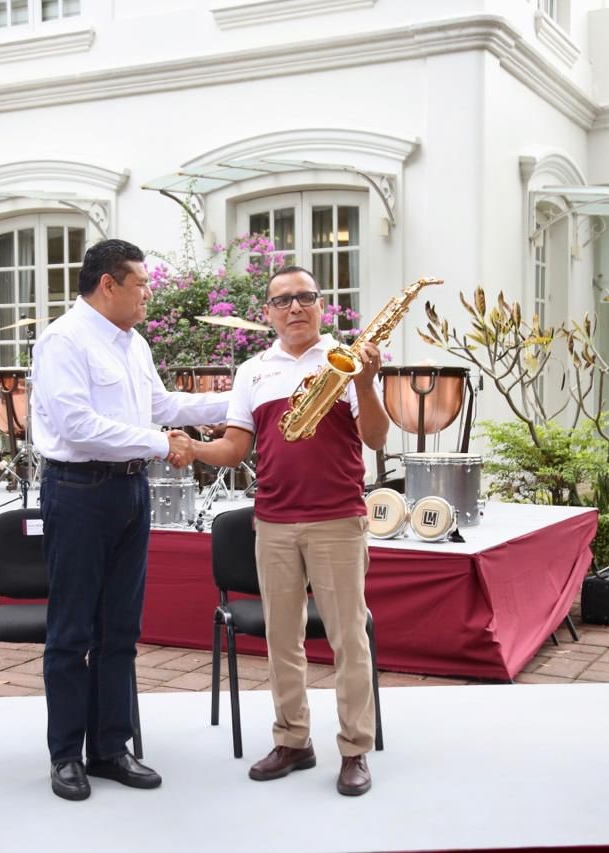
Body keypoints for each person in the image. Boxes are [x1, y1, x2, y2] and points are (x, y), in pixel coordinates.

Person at [30, 238, 230, 801]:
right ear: (108, 285)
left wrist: (240, 401)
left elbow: (160, 406)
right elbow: (77, 427)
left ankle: (110, 748)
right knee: (72, 631)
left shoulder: (132, 341)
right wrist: (163, 444)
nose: (148, 295)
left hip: (128, 489)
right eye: (141, 284)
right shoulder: (64, 339)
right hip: (77, 491)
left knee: (120, 628)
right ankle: (65, 755)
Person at [190, 264, 386, 796]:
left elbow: (375, 437)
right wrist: (190, 448)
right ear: (268, 313)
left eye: (305, 297)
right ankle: (293, 740)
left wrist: (365, 384)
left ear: (322, 305)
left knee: (348, 640)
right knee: (282, 640)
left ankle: (355, 749)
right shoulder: (252, 372)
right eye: (282, 300)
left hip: (337, 520)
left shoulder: (348, 361)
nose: (295, 307)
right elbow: (235, 447)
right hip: (273, 522)